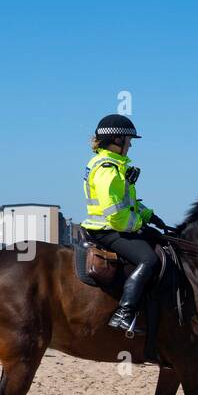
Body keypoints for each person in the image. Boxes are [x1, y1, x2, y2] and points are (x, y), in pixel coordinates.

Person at [80, 114, 173, 332]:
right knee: (149, 259)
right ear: (117, 140)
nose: (130, 146)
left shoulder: (116, 167)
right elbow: (117, 216)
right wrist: (140, 225)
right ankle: (124, 313)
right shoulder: (107, 170)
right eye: (129, 141)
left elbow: (127, 203)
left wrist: (150, 217)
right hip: (107, 230)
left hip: (114, 227)